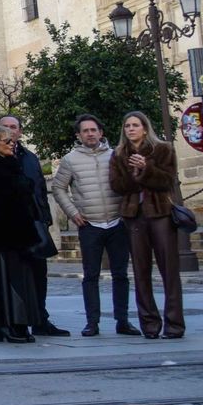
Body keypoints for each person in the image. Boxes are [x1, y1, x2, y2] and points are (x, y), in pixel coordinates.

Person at [50, 115, 140, 337]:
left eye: (94, 130)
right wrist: (72, 213)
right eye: (85, 131)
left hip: (117, 222)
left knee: (121, 274)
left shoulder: (116, 155)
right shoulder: (70, 159)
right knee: (90, 275)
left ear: (101, 132)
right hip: (90, 224)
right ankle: (92, 322)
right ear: (78, 136)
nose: (90, 134)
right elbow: (59, 188)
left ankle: (123, 320)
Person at [108, 111, 183, 339]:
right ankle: (149, 324)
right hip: (135, 215)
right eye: (127, 126)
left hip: (160, 213)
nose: (131, 129)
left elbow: (168, 180)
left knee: (169, 270)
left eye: (135, 125)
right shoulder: (119, 154)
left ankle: (174, 324)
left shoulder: (163, 149)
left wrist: (147, 168)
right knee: (141, 271)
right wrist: (135, 172)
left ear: (145, 128)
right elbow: (117, 185)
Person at [0, 115, 67, 337]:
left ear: (19, 131)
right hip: (8, 227)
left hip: (34, 225)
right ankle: (11, 322)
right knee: (12, 276)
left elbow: (39, 189)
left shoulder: (29, 157)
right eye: (5, 127)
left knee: (39, 273)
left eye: (13, 127)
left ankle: (40, 319)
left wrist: (45, 218)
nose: (10, 131)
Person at [0, 126, 42, 344]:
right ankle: (8, 324)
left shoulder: (10, 164)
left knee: (22, 281)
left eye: (12, 141)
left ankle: (20, 324)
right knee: (9, 281)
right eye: (6, 141)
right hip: (6, 234)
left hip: (19, 232)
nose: (12, 144)